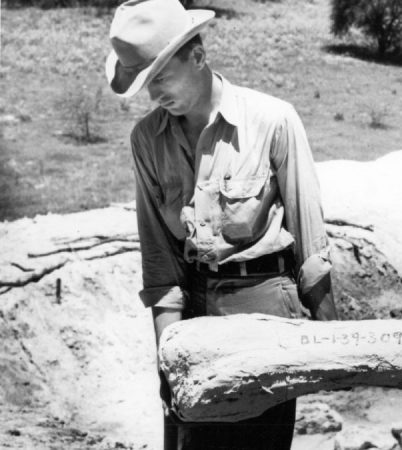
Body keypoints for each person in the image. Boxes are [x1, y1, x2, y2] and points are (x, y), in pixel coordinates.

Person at [105, 0, 338, 448]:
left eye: (159, 78)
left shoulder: (272, 120)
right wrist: (167, 360)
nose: (153, 96)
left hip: (267, 316)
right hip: (193, 319)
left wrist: (332, 341)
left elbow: (311, 242)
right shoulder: (147, 141)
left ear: (196, 56)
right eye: (143, 84)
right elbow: (159, 260)